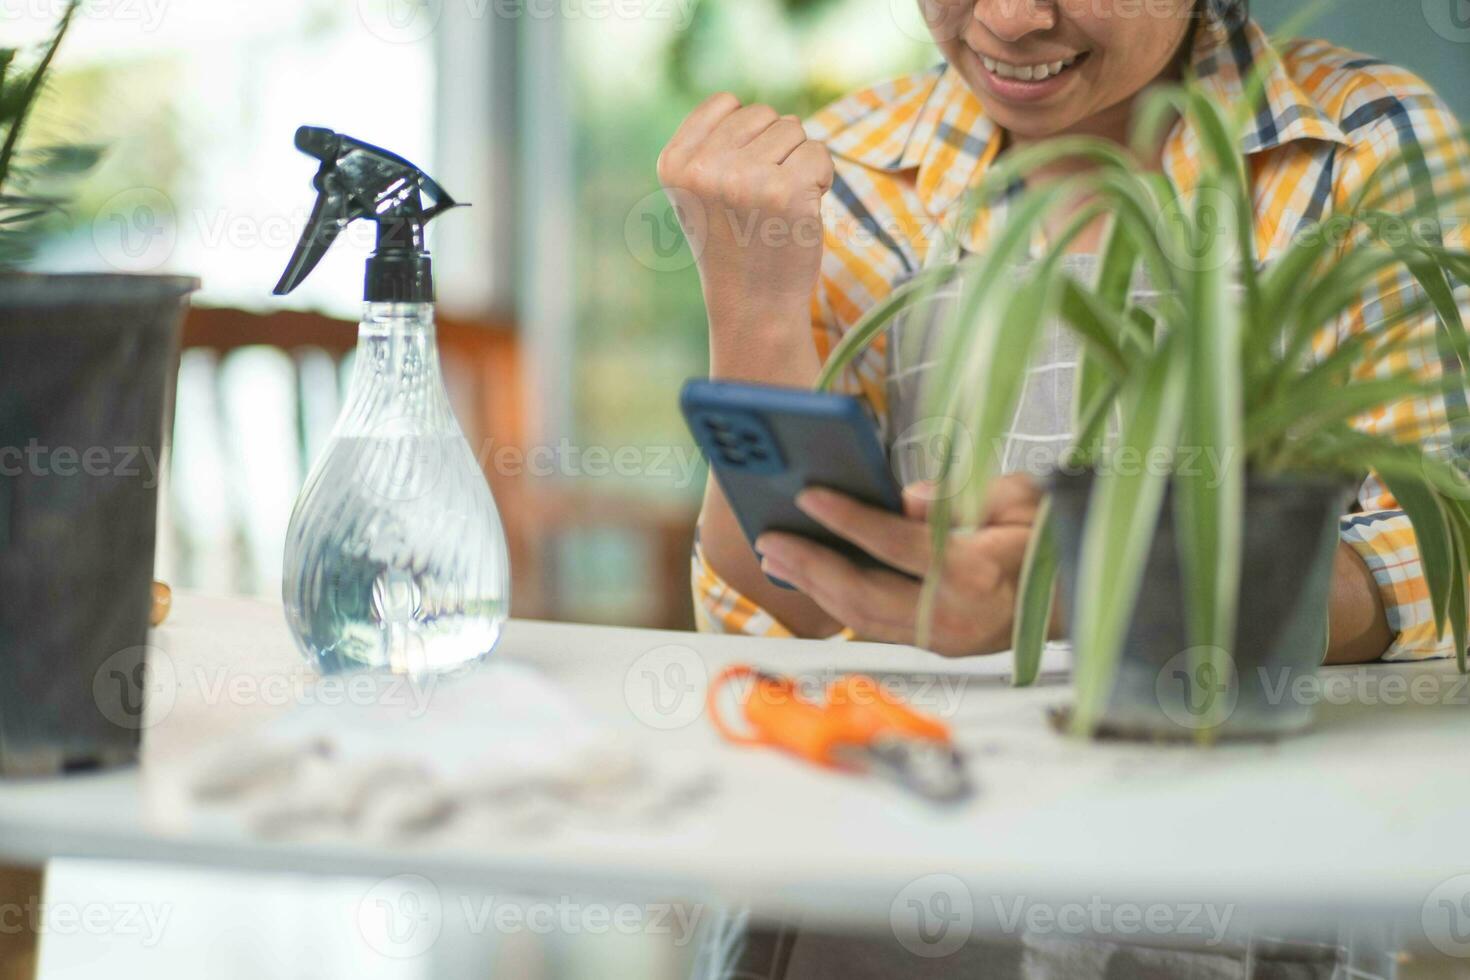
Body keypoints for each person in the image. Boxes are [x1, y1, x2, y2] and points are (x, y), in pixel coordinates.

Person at [660, 0, 1470, 668]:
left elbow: (1445, 561)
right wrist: (753, 314)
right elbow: (771, 624)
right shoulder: (846, 176)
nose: (1011, 20)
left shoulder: (1358, 148)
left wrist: (1082, 589)